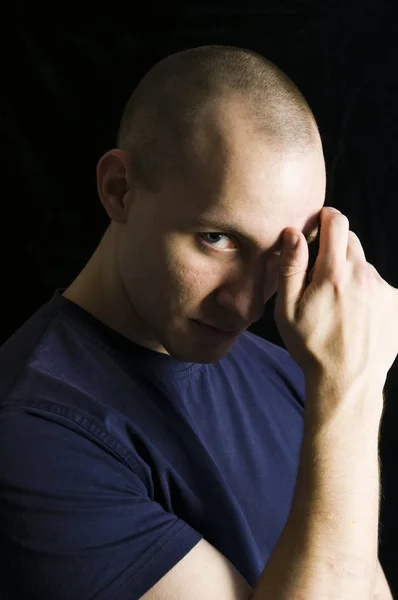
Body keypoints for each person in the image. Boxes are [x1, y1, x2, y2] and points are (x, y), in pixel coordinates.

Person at [0, 45, 394, 599]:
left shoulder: (291, 375)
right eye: (217, 239)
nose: (246, 304)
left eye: (282, 255)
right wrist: (353, 390)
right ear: (119, 189)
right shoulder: (30, 436)